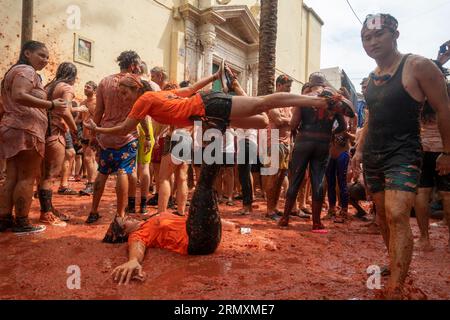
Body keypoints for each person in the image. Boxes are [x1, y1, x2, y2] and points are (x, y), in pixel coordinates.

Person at [353, 14, 450, 298]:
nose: (372, 42)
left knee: (397, 214)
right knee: (383, 217)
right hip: (373, 154)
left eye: (378, 35)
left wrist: (447, 150)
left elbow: (444, 108)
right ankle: (394, 260)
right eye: (366, 38)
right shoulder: (371, 80)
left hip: (404, 152)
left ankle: (396, 286)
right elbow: (371, 119)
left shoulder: (418, 66)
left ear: (395, 35)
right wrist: (359, 149)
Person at [0, 40, 66, 234]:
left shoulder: (13, 72)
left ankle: (4, 219)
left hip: (13, 127)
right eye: (41, 55)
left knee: (11, 176)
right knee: (26, 177)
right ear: (27, 53)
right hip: (26, 130)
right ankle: (22, 222)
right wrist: (51, 105)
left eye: (47, 57)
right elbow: (20, 95)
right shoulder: (27, 71)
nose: (45, 60)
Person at [279, 73, 352, 233]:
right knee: (318, 180)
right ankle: (316, 222)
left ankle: (285, 218)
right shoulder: (333, 100)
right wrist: (330, 133)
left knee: (296, 178)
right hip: (323, 143)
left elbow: (293, 124)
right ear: (324, 83)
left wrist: (300, 129)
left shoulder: (304, 98)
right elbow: (343, 127)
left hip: (304, 141)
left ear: (310, 84)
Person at [85, 51, 148, 224]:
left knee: (102, 173)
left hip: (105, 135)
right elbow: (142, 113)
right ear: (134, 65)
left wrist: (93, 134)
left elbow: (98, 112)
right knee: (123, 172)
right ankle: (120, 215)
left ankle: (93, 211)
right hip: (127, 136)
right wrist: (148, 136)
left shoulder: (105, 81)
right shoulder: (137, 84)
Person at [38, 62, 79, 226]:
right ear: (73, 76)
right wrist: (75, 129)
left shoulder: (48, 86)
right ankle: (46, 213)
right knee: (49, 175)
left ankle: (48, 208)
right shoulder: (66, 88)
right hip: (54, 133)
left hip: (41, 131)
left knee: (42, 174)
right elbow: (64, 110)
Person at [262, 75, 294, 220]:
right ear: (279, 85)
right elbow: (279, 120)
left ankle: (274, 207)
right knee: (272, 178)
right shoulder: (273, 100)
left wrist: (289, 121)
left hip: (286, 143)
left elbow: (292, 122)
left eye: (290, 87)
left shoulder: (286, 103)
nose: (289, 89)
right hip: (274, 142)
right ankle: (269, 210)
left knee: (281, 178)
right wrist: (290, 121)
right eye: (287, 86)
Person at [79, 81, 98, 196]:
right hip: (84, 135)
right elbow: (81, 120)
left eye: (88, 87)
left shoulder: (97, 103)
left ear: (94, 90)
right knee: (91, 160)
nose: (85, 88)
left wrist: (95, 135)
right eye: (85, 86)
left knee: (88, 158)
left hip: (94, 135)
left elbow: (99, 119)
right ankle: (93, 182)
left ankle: (91, 184)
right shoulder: (83, 102)